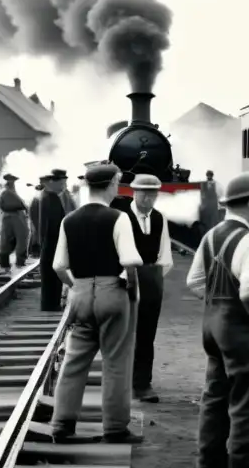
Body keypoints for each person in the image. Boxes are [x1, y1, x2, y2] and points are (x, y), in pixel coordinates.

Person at [186, 171, 249, 468]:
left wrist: (217, 304)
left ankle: (209, 466)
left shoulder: (210, 235)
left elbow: (194, 282)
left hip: (211, 323)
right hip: (238, 327)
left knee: (215, 394)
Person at [50, 162, 143, 445]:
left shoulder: (70, 220)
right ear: (113, 183)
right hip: (111, 293)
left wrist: (75, 286)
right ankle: (115, 428)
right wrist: (133, 288)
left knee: (74, 361)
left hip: (79, 294)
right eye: (118, 182)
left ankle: (62, 425)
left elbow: (58, 266)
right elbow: (129, 261)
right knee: (116, 362)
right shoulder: (119, 218)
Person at [124, 174, 173, 403]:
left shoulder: (160, 219)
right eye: (144, 193)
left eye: (153, 194)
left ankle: (143, 383)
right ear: (133, 192)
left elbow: (165, 255)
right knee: (124, 333)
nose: (149, 198)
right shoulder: (122, 218)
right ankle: (123, 381)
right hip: (126, 278)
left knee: (147, 334)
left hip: (152, 279)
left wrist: (152, 279)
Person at [38, 170, 67, 312]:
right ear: (52, 182)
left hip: (49, 242)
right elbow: (53, 224)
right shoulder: (51, 198)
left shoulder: (46, 196)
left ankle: (50, 303)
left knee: (50, 275)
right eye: (61, 183)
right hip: (52, 242)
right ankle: (51, 305)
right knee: (52, 275)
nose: (63, 186)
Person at [0, 173, 29, 274]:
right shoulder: (7, 193)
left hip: (11, 218)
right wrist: (24, 207)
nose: (12, 183)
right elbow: (17, 205)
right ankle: (17, 262)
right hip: (14, 218)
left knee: (9, 240)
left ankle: (7, 264)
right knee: (19, 239)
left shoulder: (8, 192)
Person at [28, 176, 49, 258]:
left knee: (36, 234)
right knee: (35, 234)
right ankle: (33, 252)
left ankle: (34, 252)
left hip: (38, 217)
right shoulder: (39, 193)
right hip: (36, 217)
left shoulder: (41, 191)